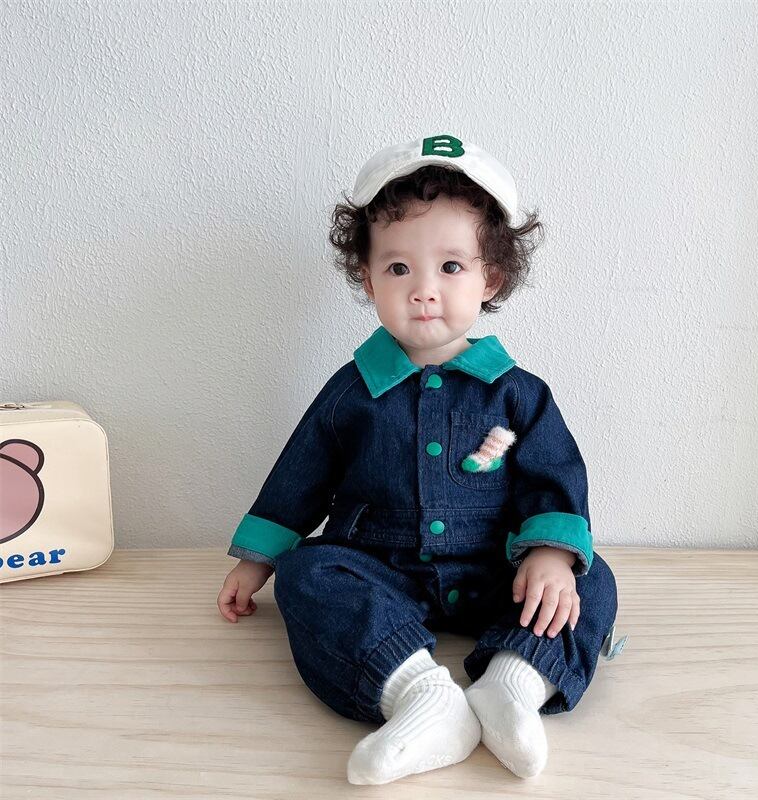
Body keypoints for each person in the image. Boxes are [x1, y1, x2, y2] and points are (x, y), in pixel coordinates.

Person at [217, 134, 626, 785]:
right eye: (399, 269)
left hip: (497, 572)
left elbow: (551, 477)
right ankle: (418, 696)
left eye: (451, 267)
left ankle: (512, 685)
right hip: (380, 571)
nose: (424, 291)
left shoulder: (517, 393)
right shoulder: (353, 391)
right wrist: (259, 559)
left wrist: (551, 553)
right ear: (367, 277)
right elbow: (302, 472)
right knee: (308, 573)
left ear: (492, 277)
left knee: (589, 577)